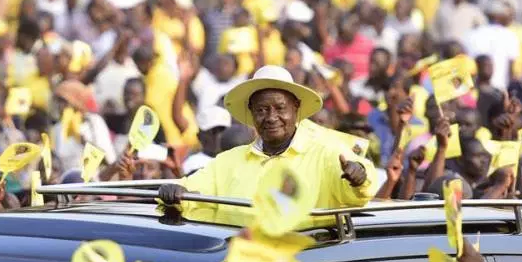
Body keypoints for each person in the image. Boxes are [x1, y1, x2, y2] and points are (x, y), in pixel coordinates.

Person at [158, 65, 376, 221]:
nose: (271, 117)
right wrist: (175, 192)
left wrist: (359, 177)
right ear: (252, 113)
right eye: (262, 110)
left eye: (280, 108)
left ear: (296, 108)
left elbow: (358, 190)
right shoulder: (229, 161)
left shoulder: (325, 151)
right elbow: (190, 191)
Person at [182, 106, 232, 175]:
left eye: (222, 130)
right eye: (213, 132)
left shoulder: (237, 159)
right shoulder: (193, 164)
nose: (218, 136)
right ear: (199, 137)